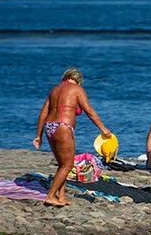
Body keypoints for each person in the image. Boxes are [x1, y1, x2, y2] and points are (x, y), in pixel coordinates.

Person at [33, 68, 112, 207]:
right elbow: (89, 111)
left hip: (49, 127)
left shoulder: (55, 90)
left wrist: (38, 135)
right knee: (68, 165)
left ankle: (61, 196)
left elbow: (43, 113)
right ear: (79, 81)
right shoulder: (77, 90)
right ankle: (50, 196)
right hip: (63, 127)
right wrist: (103, 129)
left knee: (62, 164)